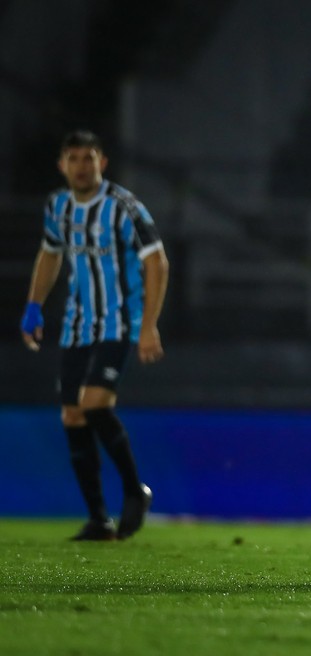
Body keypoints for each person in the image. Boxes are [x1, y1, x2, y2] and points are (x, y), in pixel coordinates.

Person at [20, 130, 169, 541]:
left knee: (94, 403)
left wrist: (149, 324)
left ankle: (134, 491)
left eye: (89, 158)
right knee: (72, 415)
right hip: (76, 325)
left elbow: (157, 262)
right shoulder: (58, 207)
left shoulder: (123, 207)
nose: (82, 166)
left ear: (103, 163)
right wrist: (33, 307)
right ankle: (99, 519)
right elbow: (50, 254)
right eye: (73, 158)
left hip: (120, 321)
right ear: (62, 165)